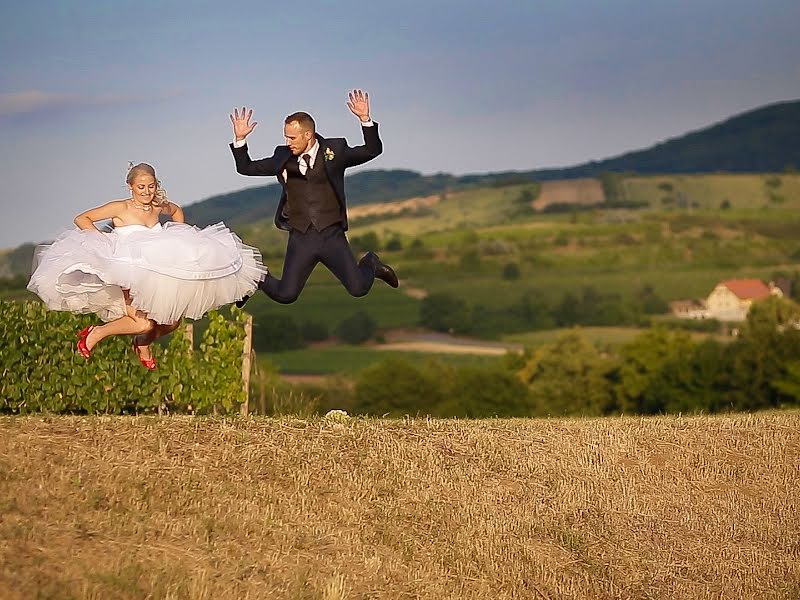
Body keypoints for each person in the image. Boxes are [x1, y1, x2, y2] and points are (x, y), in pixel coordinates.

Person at [27, 163, 267, 369]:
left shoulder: (158, 206)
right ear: (131, 186)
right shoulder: (121, 207)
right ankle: (96, 333)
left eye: (151, 186)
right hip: (128, 271)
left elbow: (176, 211)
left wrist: (180, 235)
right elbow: (82, 218)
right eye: (141, 187)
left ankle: (142, 342)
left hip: (158, 272)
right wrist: (102, 242)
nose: (146, 192)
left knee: (171, 322)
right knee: (142, 322)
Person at [229, 88, 398, 308]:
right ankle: (256, 277)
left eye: (292, 137)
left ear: (308, 135)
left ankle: (371, 263)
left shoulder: (335, 150)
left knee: (358, 289)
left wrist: (365, 119)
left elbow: (372, 150)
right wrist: (240, 139)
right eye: (286, 136)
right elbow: (246, 167)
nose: (288, 141)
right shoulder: (282, 156)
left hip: (331, 235)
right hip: (301, 238)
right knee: (286, 295)